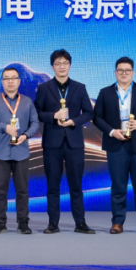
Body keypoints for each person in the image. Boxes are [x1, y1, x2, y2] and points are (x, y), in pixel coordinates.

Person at [93, 56, 136, 235]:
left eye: (127, 70)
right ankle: (117, 223)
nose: (124, 73)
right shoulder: (105, 92)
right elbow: (97, 118)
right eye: (120, 70)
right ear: (115, 73)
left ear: (133, 73)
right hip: (116, 145)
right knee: (118, 186)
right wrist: (111, 131)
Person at [35, 49, 95, 234]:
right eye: (58, 63)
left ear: (70, 65)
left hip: (74, 142)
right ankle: (53, 223)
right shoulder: (44, 88)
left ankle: (80, 223)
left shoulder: (79, 87)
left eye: (65, 63)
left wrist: (74, 121)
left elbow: (89, 113)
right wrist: (54, 116)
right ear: (52, 67)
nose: (62, 67)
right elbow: (37, 113)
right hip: (51, 143)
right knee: (53, 186)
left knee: (76, 186)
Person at [0, 66, 40, 234]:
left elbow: (35, 122)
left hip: (21, 151)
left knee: (22, 190)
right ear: (2, 82)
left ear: (19, 81)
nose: (10, 81)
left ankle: (23, 223)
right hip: (1, 151)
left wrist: (26, 136)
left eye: (13, 78)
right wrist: (4, 127)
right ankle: (0, 223)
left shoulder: (27, 102)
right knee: (0, 191)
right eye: (6, 78)